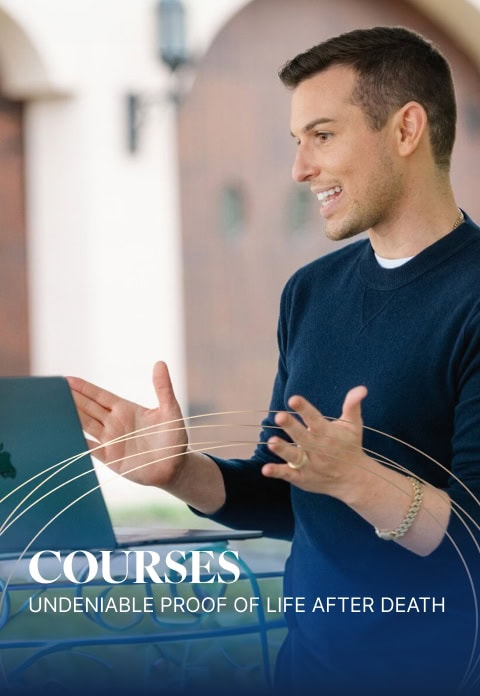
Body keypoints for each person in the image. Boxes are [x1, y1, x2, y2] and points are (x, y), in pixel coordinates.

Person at [68, 26, 480, 694]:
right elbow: (288, 497)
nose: (299, 169)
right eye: (297, 143)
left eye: (322, 135)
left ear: (406, 129)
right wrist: (181, 473)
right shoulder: (310, 294)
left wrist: (358, 479)